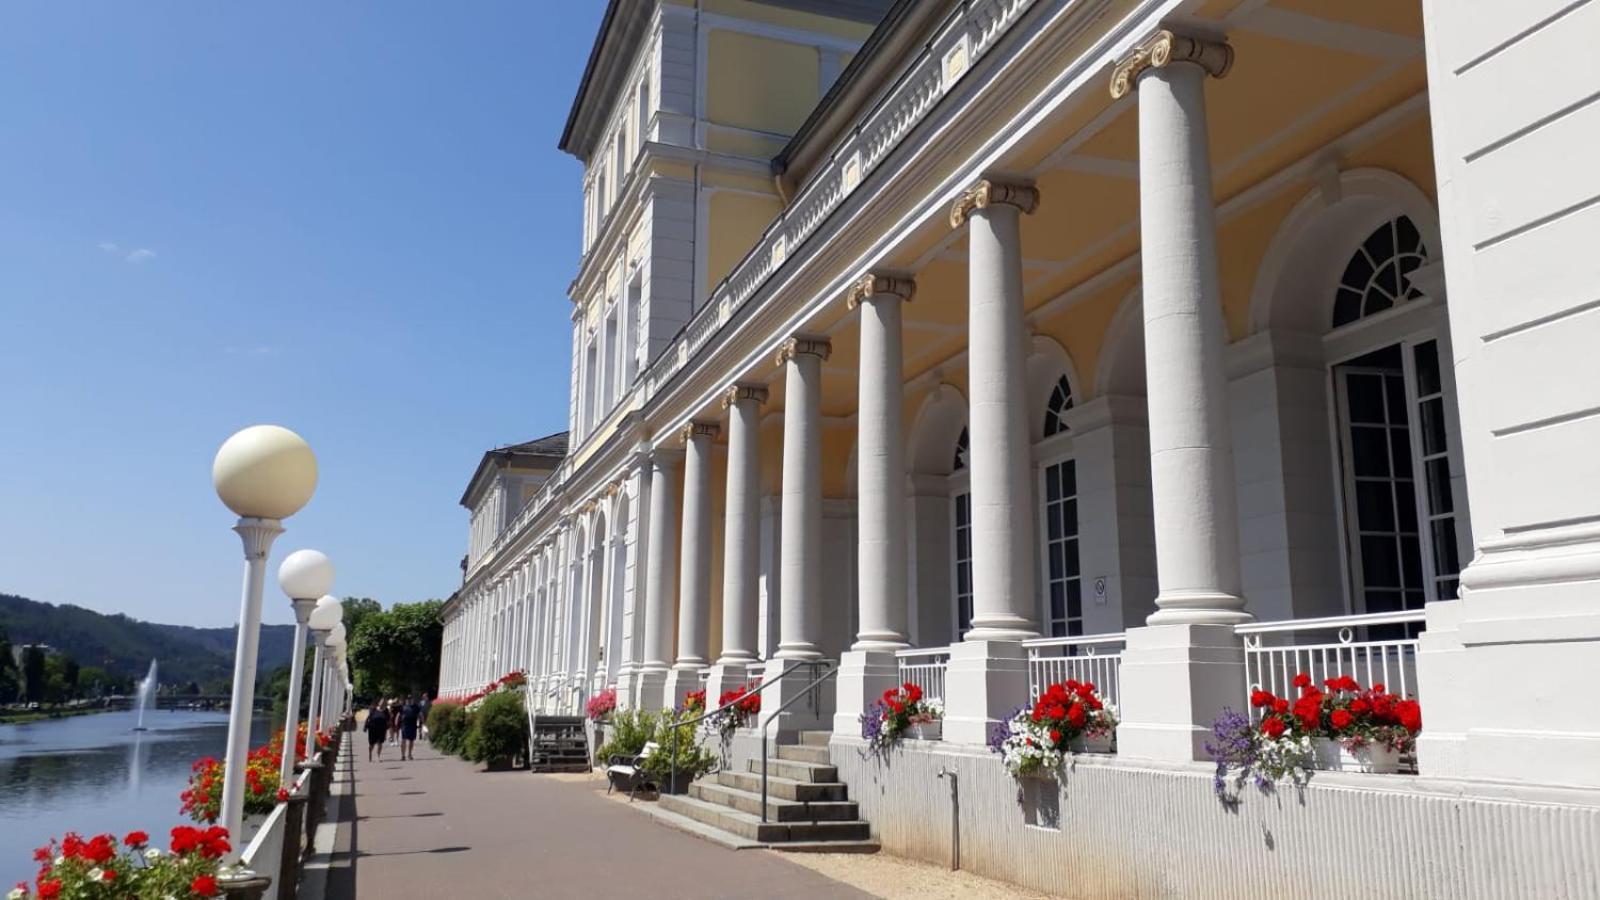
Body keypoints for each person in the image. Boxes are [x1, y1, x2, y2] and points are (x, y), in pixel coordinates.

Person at [399, 696, 420, 761]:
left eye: (411, 699)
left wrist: (421, 723)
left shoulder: (416, 707)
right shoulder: (403, 707)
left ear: (413, 699)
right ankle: (403, 756)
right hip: (405, 725)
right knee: (403, 740)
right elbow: (399, 715)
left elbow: (419, 715)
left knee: (411, 741)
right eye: (408, 699)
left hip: (413, 725)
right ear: (406, 700)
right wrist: (397, 722)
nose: (409, 700)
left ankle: (409, 754)